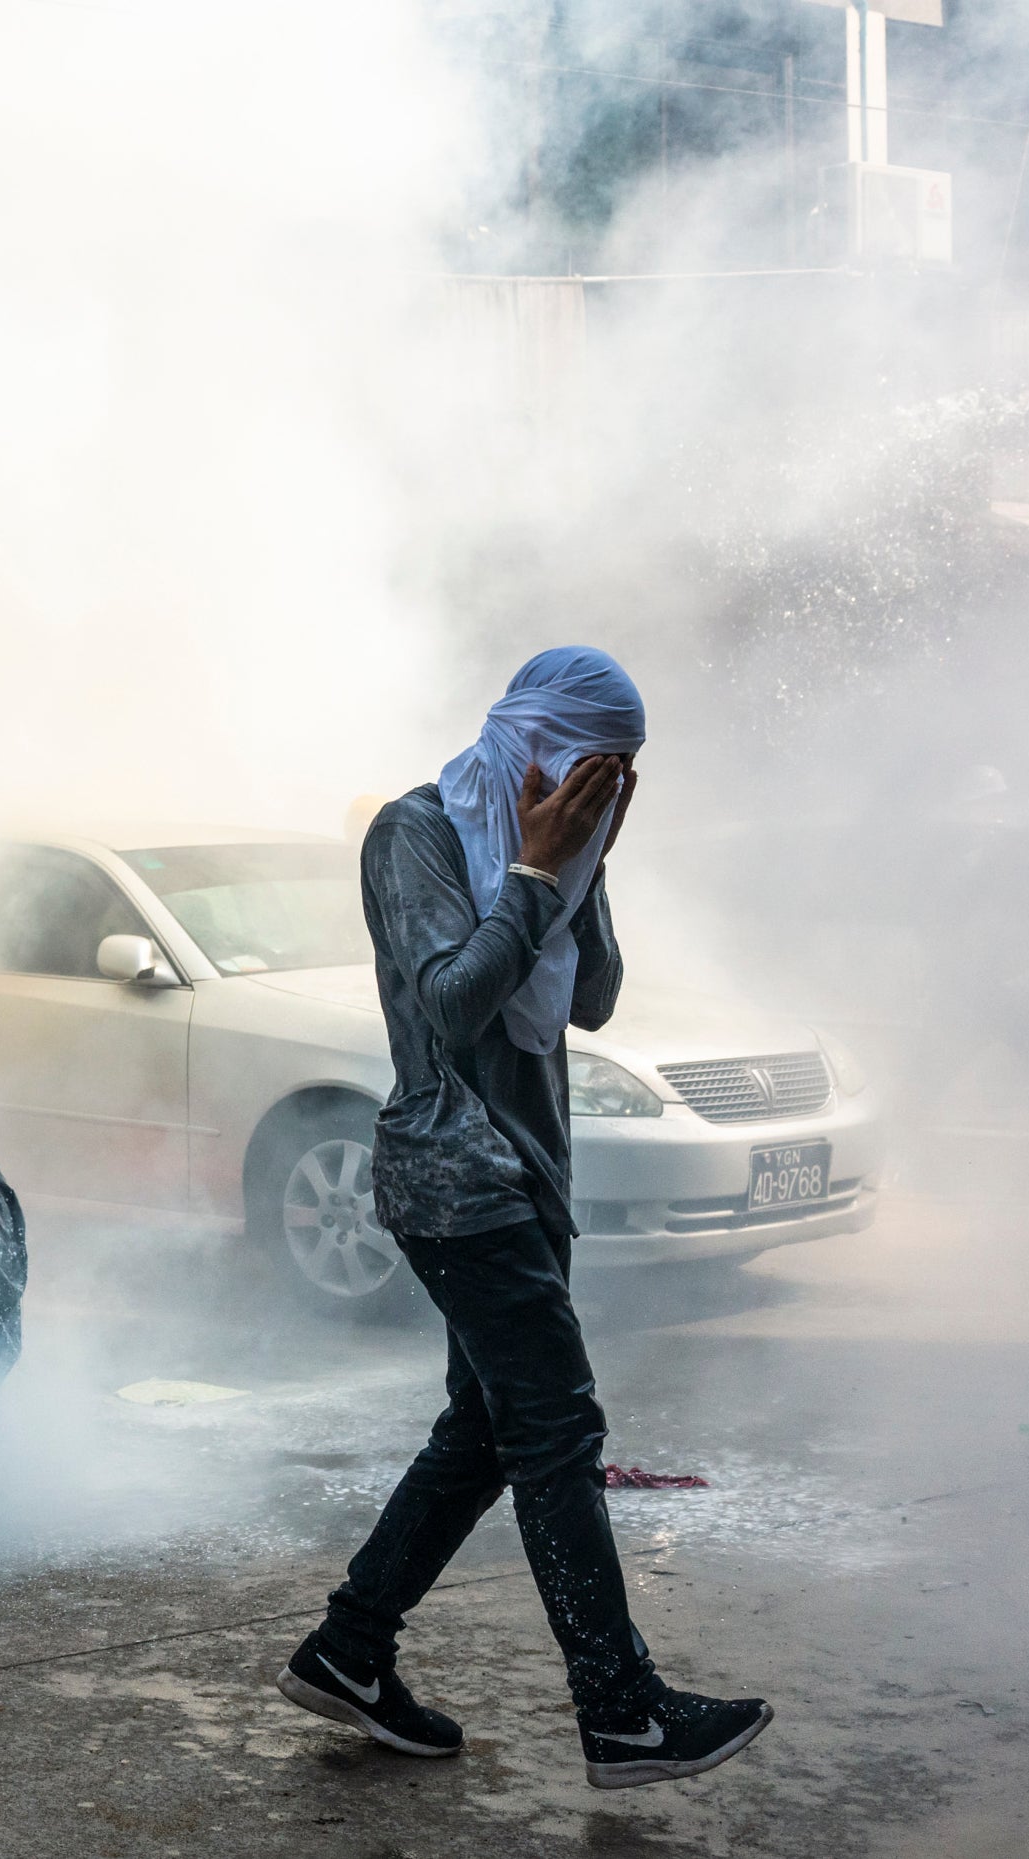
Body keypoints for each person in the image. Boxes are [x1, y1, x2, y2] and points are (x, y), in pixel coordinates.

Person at [274, 648, 773, 1790]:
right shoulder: (418, 832)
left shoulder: (551, 848)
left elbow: (590, 998)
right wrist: (540, 871)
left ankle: (350, 1647)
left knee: (485, 1432)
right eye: (589, 767)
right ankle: (623, 1709)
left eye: (620, 777)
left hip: (531, 1173)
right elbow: (450, 1002)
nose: (600, 790)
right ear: (533, 738)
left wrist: (586, 862)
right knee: (556, 1431)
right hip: (455, 1178)